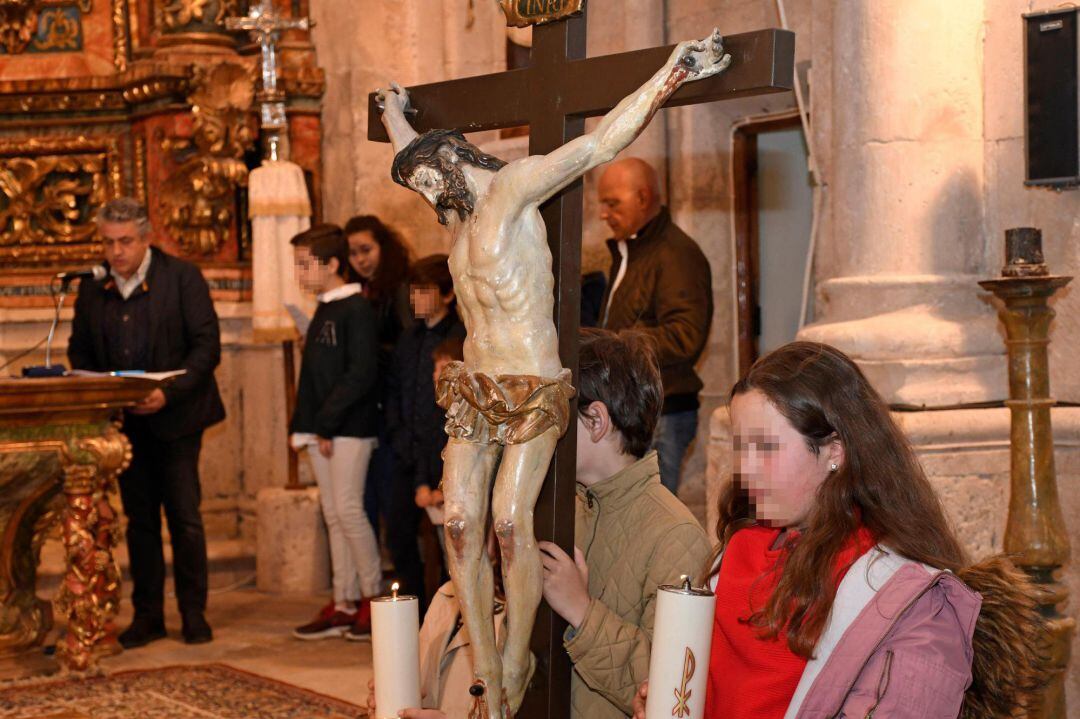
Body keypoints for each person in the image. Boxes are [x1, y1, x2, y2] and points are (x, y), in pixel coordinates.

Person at [378, 29, 731, 717]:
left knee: (510, 525)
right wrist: (394, 114)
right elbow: (408, 155)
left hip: (530, 383)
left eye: (427, 181)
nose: (428, 197)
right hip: (478, 384)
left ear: (451, 163)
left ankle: (515, 660)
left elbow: (598, 146)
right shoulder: (457, 210)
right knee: (456, 525)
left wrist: (671, 72)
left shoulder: (512, 190)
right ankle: (487, 666)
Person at [630, 342, 1044, 719]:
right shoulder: (738, 548)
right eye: (741, 445)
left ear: (834, 452)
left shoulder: (908, 600)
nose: (745, 469)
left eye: (767, 447)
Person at [68, 197, 224, 648]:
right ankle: (148, 615)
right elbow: (80, 353)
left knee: (184, 518)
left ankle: (193, 613)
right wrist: (107, 396)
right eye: (108, 242)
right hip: (126, 424)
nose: (116, 252)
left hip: (177, 417)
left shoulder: (182, 278)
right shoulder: (93, 287)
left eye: (126, 242)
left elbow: (206, 346)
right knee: (139, 522)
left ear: (146, 238)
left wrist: (167, 393)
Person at [539, 328, 710, 717]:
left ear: (596, 420)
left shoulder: (674, 534)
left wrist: (581, 610)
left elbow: (667, 691)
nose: (541, 434)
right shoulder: (559, 508)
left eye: (551, 416)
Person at [597, 157, 713, 496]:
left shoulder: (676, 253)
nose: (604, 214)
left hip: (662, 412)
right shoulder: (634, 251)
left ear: (643, 198)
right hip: (636, 408)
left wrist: (614, 345)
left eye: (612, 203)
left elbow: (685, 336)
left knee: (653, 523)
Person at [288, 224, 382, 641]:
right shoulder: (326, 307)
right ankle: (344, 601)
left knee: (348, 510)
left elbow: (361, 373)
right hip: (324, 426)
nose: (299, 273)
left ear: (333, 265)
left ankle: (373, 599)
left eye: (305, 264)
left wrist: (326, 422)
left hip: (348, 427)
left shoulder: (356, 309)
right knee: (333, 514)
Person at [384, 255, 466, 606]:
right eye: (412, 291)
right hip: (408, 451)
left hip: (445, 455)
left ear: (447, 295)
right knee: (400, 533)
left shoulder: (460, 338)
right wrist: (401, 437)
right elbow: (396, 393)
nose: (414, 299)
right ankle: (413, 612)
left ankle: (447, 610)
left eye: (423, 291)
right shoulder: (408, 338)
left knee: (452, 544)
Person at [344, 215, 413, 545]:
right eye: (353, 253)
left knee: (391, 498)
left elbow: (407, 347)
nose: (360, 259)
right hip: (371, 403)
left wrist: (366, 350)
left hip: (392, 403)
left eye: (366, 249)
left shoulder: (400, 287)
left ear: (382, 247)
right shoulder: (359, 290)